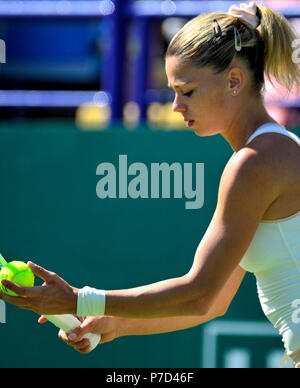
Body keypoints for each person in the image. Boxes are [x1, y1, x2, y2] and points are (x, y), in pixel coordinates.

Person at [1, 1, 300, 367]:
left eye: (187, 91)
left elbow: (198, 293)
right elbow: (214, 300)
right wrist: (117, 324)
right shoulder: (270, 152)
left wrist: (79, 299)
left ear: (234, 81)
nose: (176, 106)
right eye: (173, 90)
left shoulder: (254, 164)